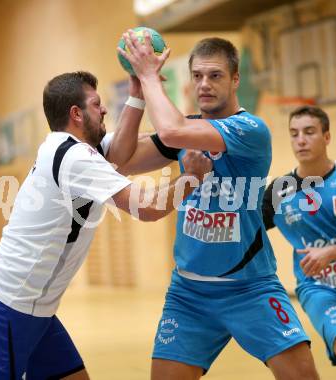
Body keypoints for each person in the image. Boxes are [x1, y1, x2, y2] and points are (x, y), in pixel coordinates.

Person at [0, 71, 212, 380]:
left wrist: (137, 94)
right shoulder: (75, 158)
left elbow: (121, 154)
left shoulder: (71, 148)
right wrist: (192, 178)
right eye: (97, 104)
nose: (105, 109)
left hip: (35, 308)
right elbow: (147, 207)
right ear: (76, 114)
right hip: (6, 306)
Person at [117, 33, 319, 379]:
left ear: (235, 79)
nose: (204, 84)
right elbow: (121, 160)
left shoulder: (249, 129)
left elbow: (171, 131)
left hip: (250, 288)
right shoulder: (187, 128)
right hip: (189, 293)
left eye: (215, 75)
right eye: (197, 76)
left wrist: (150, 75)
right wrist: (136, 95)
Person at [263, 106, 336, 380]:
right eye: (294, 134)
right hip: (318, 289)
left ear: (326, 137)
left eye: (309, 132)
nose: (300, 140)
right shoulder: (280, 191)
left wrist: (330, 253)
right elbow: (247, 234)